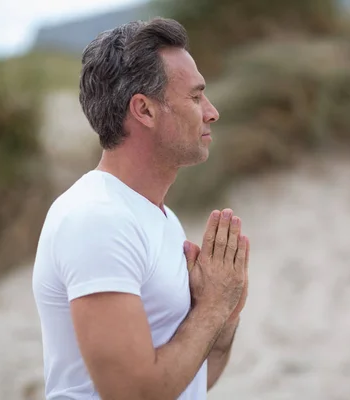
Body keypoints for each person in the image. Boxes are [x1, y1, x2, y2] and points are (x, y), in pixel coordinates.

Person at [32, 17, 249, 400]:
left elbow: (192, 380)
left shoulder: (159, 218)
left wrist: (225, 313)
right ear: (144, 110)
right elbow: (132, 393)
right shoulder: (97, 219)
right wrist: (211, 309)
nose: (211, 112)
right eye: (196, 97)